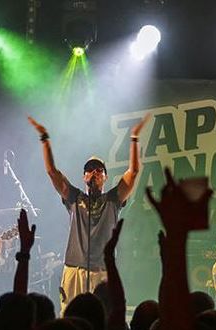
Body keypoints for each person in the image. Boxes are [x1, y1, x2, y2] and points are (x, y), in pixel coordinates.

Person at [27, 115, 148, 313]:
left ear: (106, 177)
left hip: (102, 271)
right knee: (70, 315)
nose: (95, 172)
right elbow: (52, 171)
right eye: (90, 170)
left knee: (103, 317)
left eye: (99, 170)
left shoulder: (113, 199)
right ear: (84, 176)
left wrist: (134, 138)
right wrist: (44, 139)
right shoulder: (75, 198)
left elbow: (133, 172)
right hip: (74, 269)